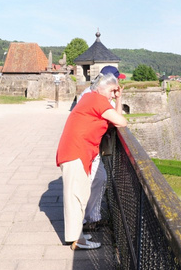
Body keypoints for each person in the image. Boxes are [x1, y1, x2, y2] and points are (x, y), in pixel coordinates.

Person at [55, 74, 131, 251]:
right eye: (113, 90)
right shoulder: (97, 99)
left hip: (77, 152)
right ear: (102, 88)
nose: (113, 94)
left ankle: (78, 235)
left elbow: (115, 121)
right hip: (76, 152)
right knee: (76, 197)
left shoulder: (90, 98)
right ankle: (77, 240)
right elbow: (122, 121)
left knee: (80, 195)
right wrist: (116, 102)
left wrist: (119, 99)